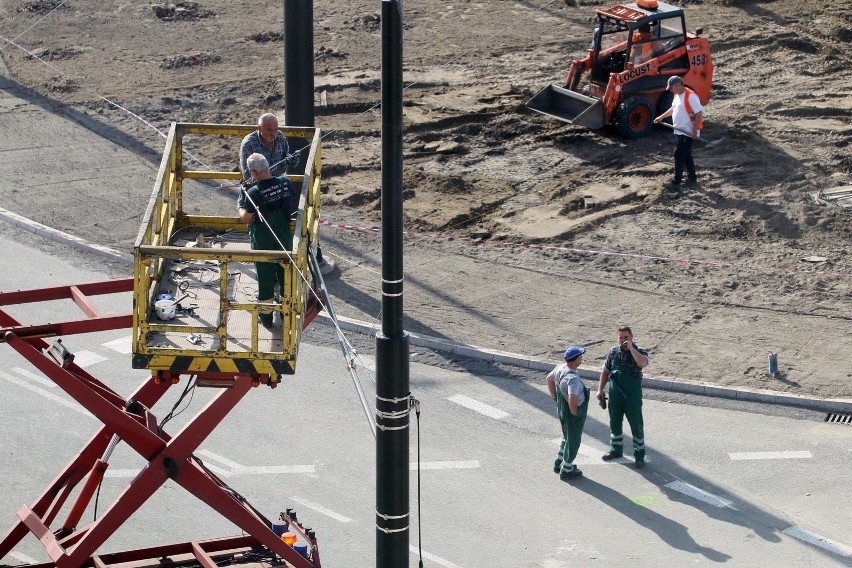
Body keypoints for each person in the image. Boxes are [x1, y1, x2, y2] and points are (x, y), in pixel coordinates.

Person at [238, 153, 296, 327]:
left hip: (263, 240)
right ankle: (287, 315)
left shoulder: (253, 192)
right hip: (284, 237)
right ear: (268, 166)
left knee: (265, 280)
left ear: (253, 172)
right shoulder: (286, 183)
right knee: (285, 275)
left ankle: (265, 318)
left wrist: (242, 202)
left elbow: (246, 219)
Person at [596, 326, 650, 468]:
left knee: (636, 425)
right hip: (615, 395)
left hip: (632, 397)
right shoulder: (613, 351)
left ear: (631, 337)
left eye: (626, 337)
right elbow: (606, 371)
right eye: (620, 337)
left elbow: (642, 363)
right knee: (615, 422)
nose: (623, 340)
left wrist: (631, 349)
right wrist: (600, 390)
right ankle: (615, 450)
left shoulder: (640, 351)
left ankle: (639, 455)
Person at [547, 346, 590, 480]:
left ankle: (559, 462)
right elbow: (572, 397)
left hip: (562, 408)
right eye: (580, 357)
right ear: (575, 360)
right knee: (574, 440)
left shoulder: (561, 367)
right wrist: (574, 412)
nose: (582, 358)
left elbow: (549, 379)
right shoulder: (573, 378)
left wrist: (555, 397)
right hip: (572, 412)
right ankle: (566, 469)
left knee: (566, 436)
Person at [654, 76, 704, 189]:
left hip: (688, 132)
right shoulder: (677, 95)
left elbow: (699, 114)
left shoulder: (691, 96)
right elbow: (673, 109)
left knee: (678, 154)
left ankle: (676, 182)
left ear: (678, 85)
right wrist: (661, 117)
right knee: (686, 155)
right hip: (680, 131)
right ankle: (692, 179)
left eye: (671, 88)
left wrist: (694, 130)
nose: (670, 90)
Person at [239, 113, 290, 182]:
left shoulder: (280, 137)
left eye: (275, 129)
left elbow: (286, 156)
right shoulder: (248, 144)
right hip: (258, 186)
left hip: (278, 183)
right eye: (269, 130)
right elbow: (247, 175)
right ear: (259, 128)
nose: (273, 134)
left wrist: (291, 161)